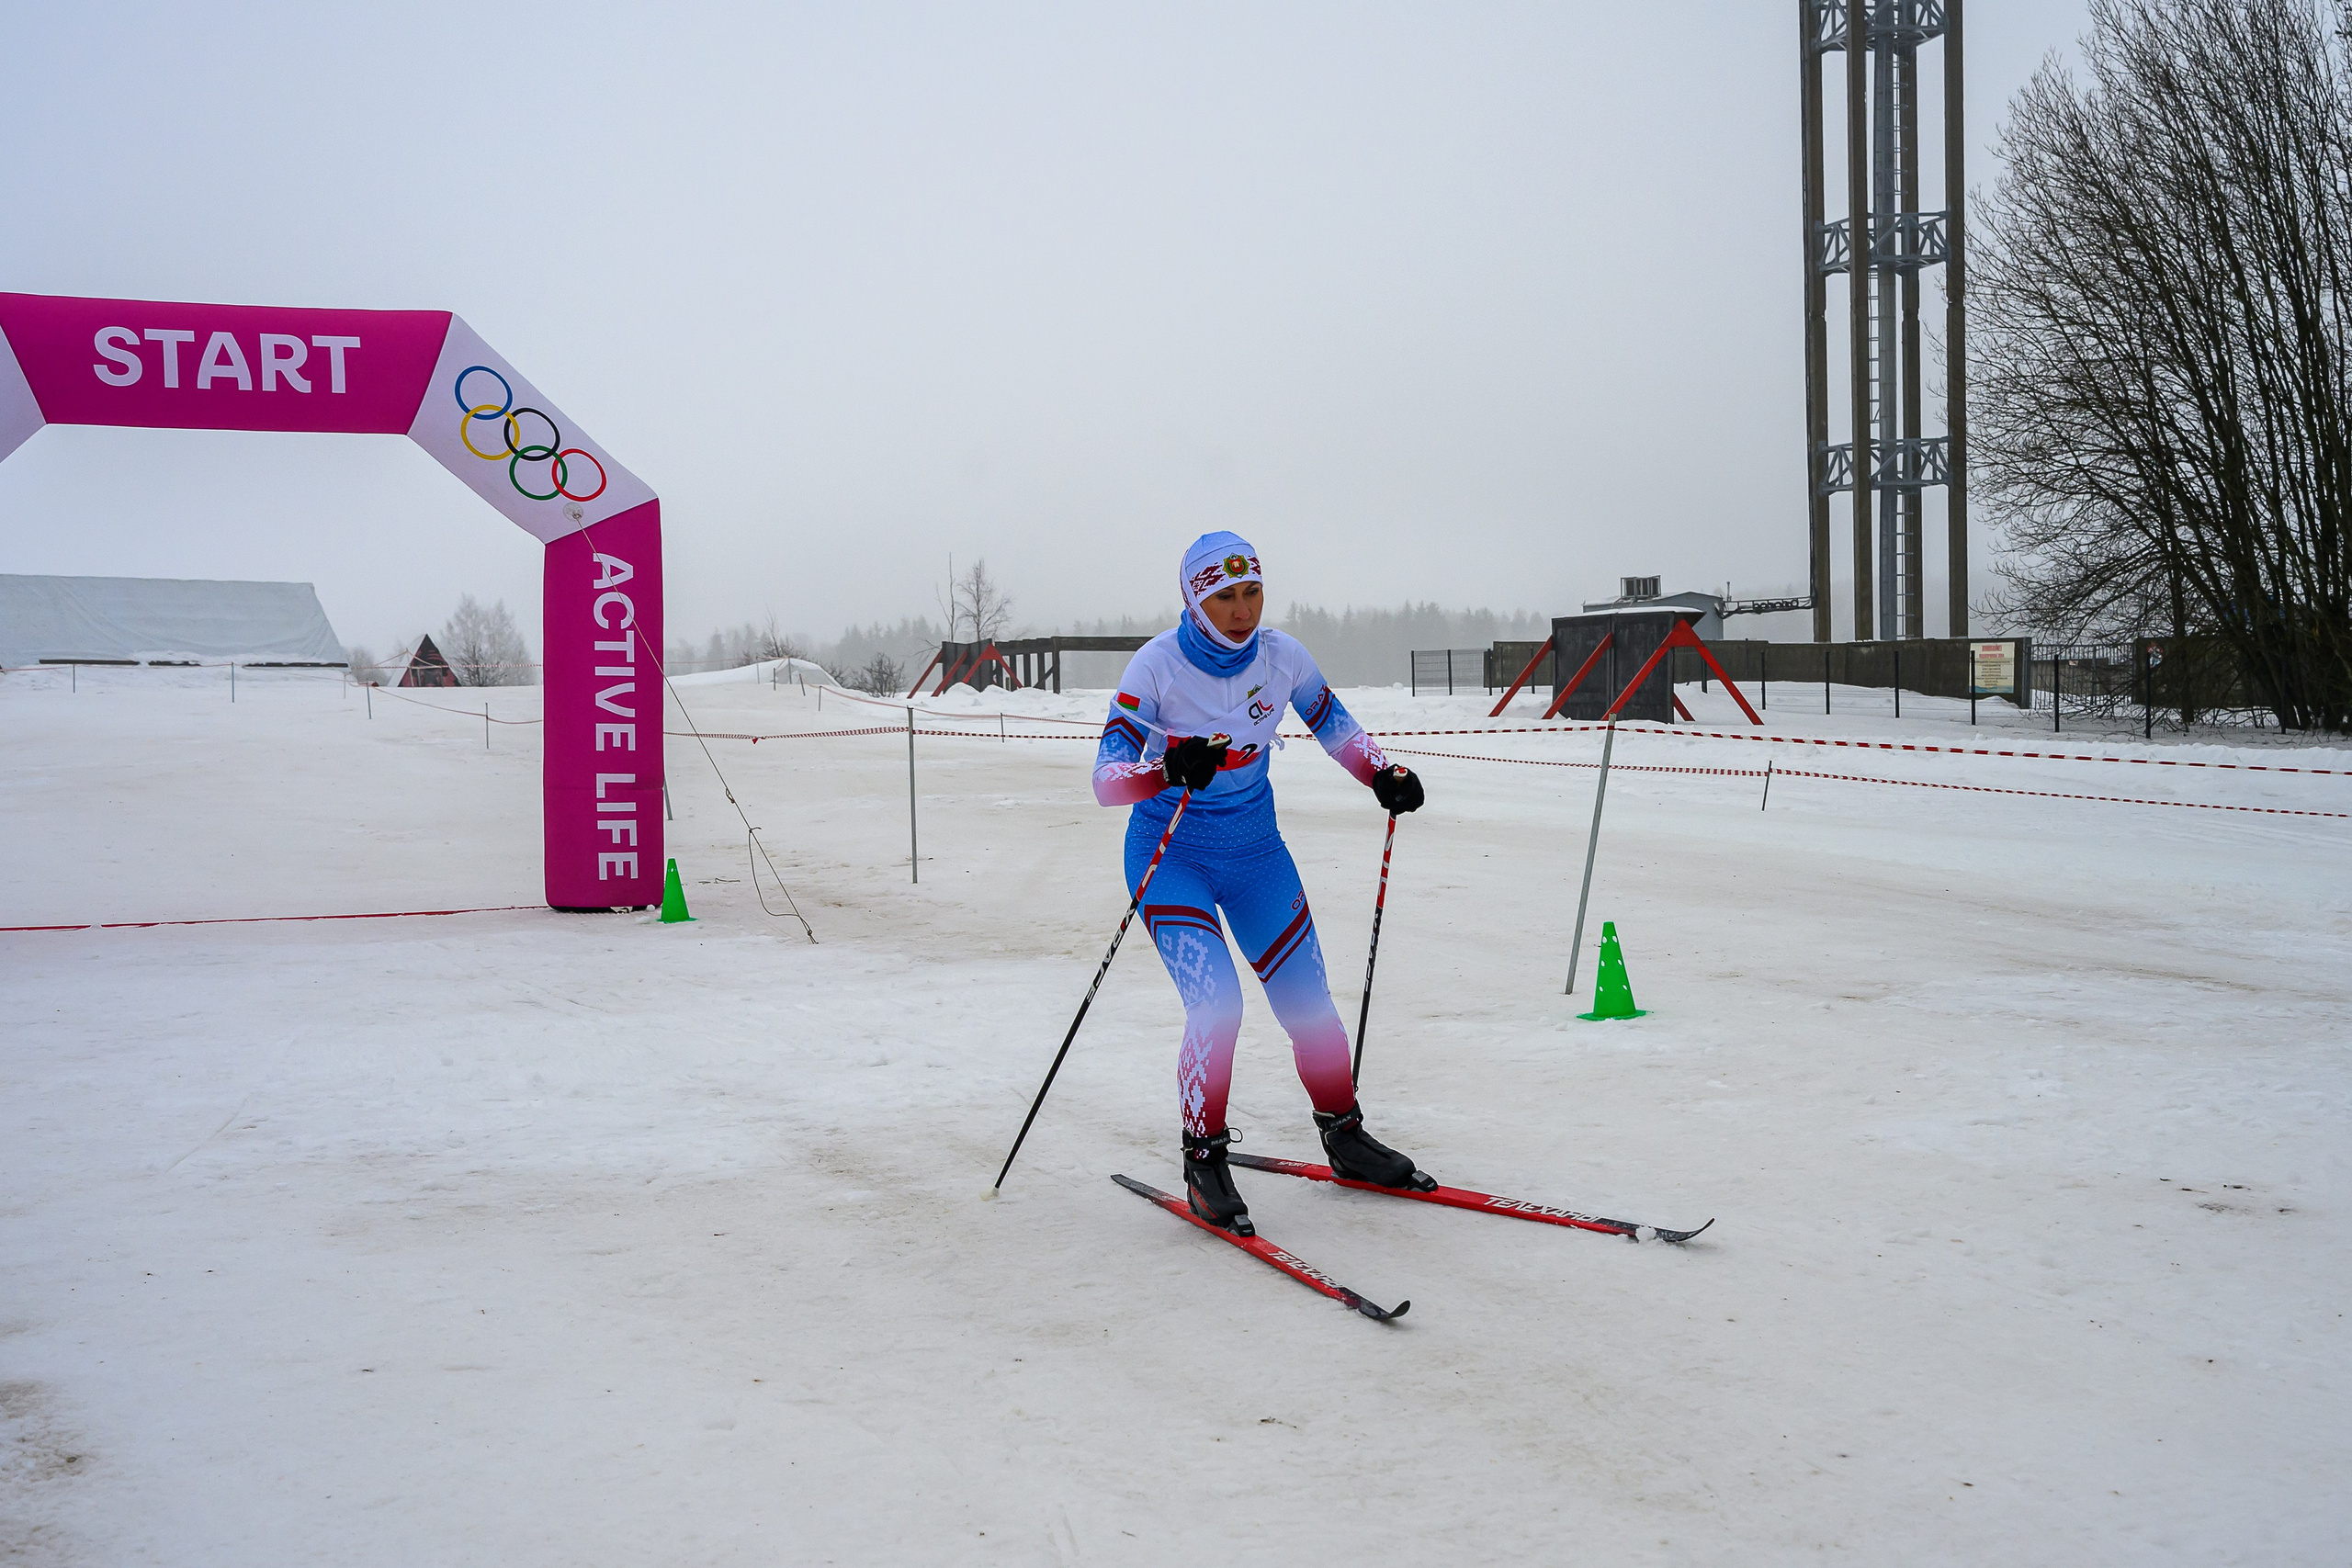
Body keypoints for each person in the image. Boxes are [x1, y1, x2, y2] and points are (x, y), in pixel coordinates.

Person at [1093, 531, 1431, 1234]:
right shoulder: (1156, 667)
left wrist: (1382, 773)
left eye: (1252, 593)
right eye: (1222, 596)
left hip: (1255, 854)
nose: (1241, 610)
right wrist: (1165, 770)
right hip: (1170, 855)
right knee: (1217, 1006)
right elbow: (1105, 781)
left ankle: (1344, 1134)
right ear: (1194, 597)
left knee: (1309, 1003)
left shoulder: (1282, 658)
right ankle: (1203, 1157)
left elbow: (1335, 725)